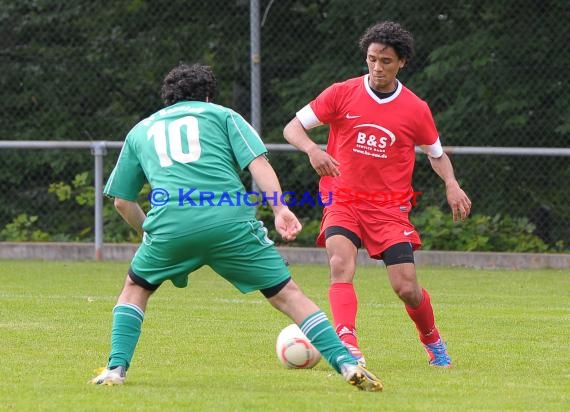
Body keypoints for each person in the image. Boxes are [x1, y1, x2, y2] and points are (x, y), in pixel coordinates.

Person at [88, 63, 383, 392]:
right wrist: (279, 207)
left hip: (171, 223)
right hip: (229, 220)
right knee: (288, 295)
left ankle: (115, 369)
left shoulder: (140, 131)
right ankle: (345, 362)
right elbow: (258, 162)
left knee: (135, 289)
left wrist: (150, 233)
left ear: (167, 99)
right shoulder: (224, 116)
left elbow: (121, 202)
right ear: (209, 96)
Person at [283, 21, 472, 368]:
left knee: (406, 288)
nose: (377, 67)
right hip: (343, 199)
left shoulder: (415, 108)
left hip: (388, 209)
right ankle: (346, 341)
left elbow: (435, 153)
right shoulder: (342, 93)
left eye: (386, 61)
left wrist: (451, 183)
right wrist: (312, 150)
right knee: (340, 263)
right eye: (372, 59)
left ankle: (432, 340)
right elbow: (293, 127)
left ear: (401, 62)